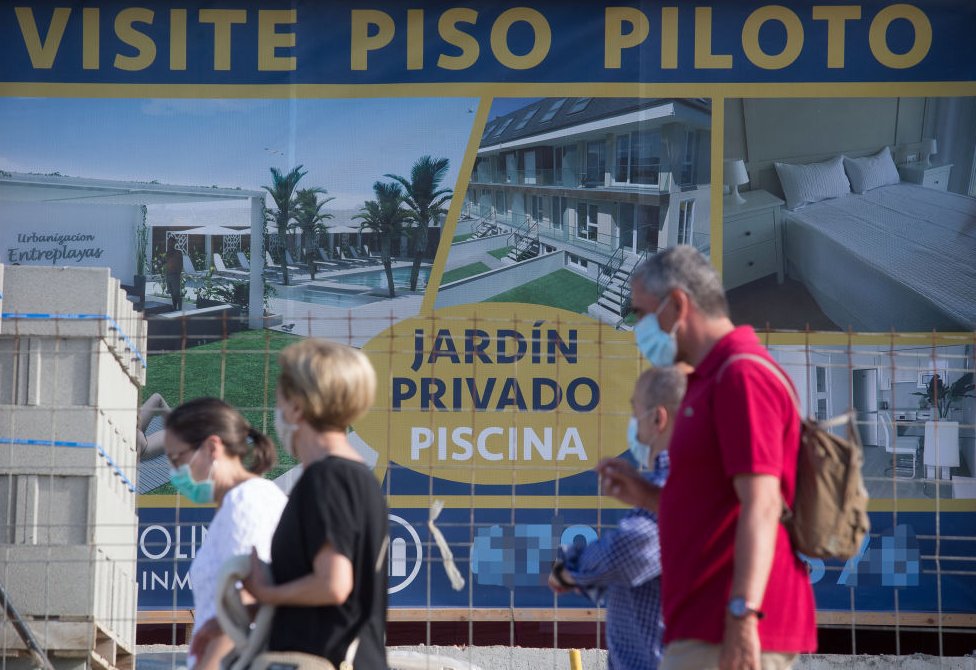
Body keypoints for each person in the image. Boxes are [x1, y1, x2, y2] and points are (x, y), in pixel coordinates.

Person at [598, 245, 816, 670]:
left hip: (729, 630)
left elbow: (763, 503)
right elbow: (715, 512)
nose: (638, 327)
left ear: (678, 304)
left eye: (642, 313)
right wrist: (645, 495)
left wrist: (743, 616)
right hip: (702, 627)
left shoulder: (742, 375)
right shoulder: (707, 380)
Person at [245, 339, 388, 670]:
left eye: (279, 401)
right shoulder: (360, 479)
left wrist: (266, 592)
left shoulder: (326, 479)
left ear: (297, 407)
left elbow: (333, 584)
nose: (277, 411)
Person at [549, 366, 686, 670]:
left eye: (635, 412)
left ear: (657, 419)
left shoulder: (678, 482)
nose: (634, 425)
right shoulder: (674, 480)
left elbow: (631, 550)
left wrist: (571, 571)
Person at [163, 398, 287, 670]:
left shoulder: (246, 502)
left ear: (211, 447)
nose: (174, 473)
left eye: (177, 458)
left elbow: (243, 602)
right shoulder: (238, 503)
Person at [165, 241, 183, 310]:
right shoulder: (168, 253)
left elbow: (180, 264)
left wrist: (178, 273)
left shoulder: (178, 252)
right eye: (169, 243)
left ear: (174, 244)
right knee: (172, 292)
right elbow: (166, 262)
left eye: (171, 243)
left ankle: (179, 308)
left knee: (176, 292)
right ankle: (174, 307)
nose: (169, 244)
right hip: (168, 274)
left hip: (175, 275)